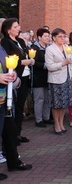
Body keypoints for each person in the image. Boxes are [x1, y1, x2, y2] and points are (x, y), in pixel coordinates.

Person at [0, 33, 32, 175]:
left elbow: (7, 65)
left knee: (10, 131)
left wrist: (12, 74)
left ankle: (14, 162)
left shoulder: (1, 48)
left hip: (4, 98)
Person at [1, 18, 35, 143]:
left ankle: (18, 133)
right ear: (8, 29)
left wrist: (30, 59)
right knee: (13, 106)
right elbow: (5, 60)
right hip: (15, 76)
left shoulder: (20, 40)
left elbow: (25, 54)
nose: (19, 28)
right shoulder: (6, 41)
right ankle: (11, 135)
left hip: (25, 75)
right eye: (15, 27)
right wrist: (22, 62)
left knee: (20, 106)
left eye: (18, 26)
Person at [45, 28, 72, 134]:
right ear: (54, 38)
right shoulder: (50, 49)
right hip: (56, 79)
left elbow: (71, 63)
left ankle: (61, 123)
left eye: (64, 36)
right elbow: (49, 66)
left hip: (66, 78)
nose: (62, 38)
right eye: (60, 36)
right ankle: (56, 124)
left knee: (64, 103)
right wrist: (62, 63)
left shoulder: (67, 47)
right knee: (56, 103)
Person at [31, 28, 53, 127]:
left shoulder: (49, 48)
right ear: (39, 37)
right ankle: (38, 120)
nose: (47, 38)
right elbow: (34, 62)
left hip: (48, 77)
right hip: (38, 77)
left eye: (48, 36)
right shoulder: (34, 48)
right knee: (39, 99)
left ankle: (46, 117)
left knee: (47, 98)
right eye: (45, 36)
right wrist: (46, 65)